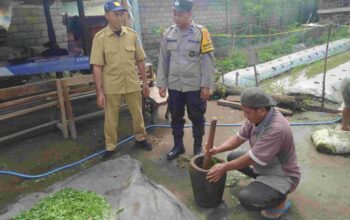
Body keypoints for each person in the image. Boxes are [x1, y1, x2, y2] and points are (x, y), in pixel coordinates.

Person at [206, 87, 301, 219]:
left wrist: (224, 168)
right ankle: (262, 184)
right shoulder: (256, 117)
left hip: (282, 175)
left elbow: (252, 158)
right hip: (266, 163)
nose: (245, 116)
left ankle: (280, 201)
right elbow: (239, 137)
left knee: (247, 198)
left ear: (261, 110)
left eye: (247, 112)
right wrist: (218, 149)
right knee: (232, 157)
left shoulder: (276, 129)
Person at [90, 0, 152, 160]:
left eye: (121, 14)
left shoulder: (131, 35)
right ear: (107, 16)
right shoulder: (100, 38)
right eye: (115, 14)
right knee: (111, 119)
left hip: (131, 82)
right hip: (112, 85)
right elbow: (97, 66)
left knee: (138, 114)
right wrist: (99, 92)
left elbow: (140, 60)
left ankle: (141, 138)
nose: (119, 18)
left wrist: (145, 83)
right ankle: (110, 147)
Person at [156, 0, 215, 160]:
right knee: (176, 116)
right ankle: (178, 146)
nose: (176, 18)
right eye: (174, 14)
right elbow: (163, 60)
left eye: (180, 15)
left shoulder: (201, 33)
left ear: (189, 14)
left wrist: (206, 85)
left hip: (194, 86)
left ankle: (197, 148)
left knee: (197, 117)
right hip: (175, 86)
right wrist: (161, 84)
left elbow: (207, 61)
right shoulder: (169, 34)